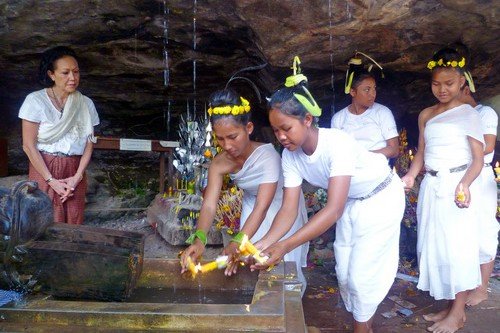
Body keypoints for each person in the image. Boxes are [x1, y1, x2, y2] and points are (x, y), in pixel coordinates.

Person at [252, 59, 405, 333]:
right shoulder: (290, 156)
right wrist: (263, 244)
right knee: (345, 272)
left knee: (362, 275)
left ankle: (361, 329)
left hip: (381, 198)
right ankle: (365, 324)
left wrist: (284, 246)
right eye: (276, 130)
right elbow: (288, 210)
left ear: (307, 120)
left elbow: (332, 210)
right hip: (352, 203)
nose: (281, 136)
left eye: (286, 128)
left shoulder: (338, 144)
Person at [180, 89, 308, 289]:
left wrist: (236, 242)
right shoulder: (218, 163)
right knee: (250, 260)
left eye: (232, 136)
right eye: (220, 139)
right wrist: (199, 240)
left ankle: (288, 307)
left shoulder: (268, 156)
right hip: (252, 205)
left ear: (248, 128)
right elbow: (209, 206)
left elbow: (262, 207)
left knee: (280, 261)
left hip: (282, 207)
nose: (227, 145)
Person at [401, 46, 485, 333]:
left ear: (462, 81)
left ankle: (458, 313)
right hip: (431, 186)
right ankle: (450, 307)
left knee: (457, 248)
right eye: (436, 83)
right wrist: (411, 175)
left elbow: (478, 159)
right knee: (436, 247)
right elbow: (421, 153)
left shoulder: (468, 114)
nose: (442, 89)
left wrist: (464, 184)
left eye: (449, 83)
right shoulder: (426, 114)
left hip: (455, 186)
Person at [19, 46, 99, 225]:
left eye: (76, 72)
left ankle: (71, 253)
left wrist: (77, 176)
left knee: (74, 219)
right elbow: (28, 146)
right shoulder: (35, 101)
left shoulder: (86, 104)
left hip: (75, 169)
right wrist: (51, 180)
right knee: (43, 220)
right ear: (51, 74)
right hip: (44, 166)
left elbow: (89, 142)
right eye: (65, 72)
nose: (73, 77)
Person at [460, 83, 499, 306]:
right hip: (463, 176)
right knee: (465, 232)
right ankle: (467, 284)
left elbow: (488, 145)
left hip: (481, 177)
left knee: (484, 230)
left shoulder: (485, 112)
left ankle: (482, 288)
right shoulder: (458, 114)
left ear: (465, 89)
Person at [331, 56, 399, 160]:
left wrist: (363, 157)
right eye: (367, 90)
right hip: (349, 171)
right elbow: (335, 151)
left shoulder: (382, 113)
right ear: (353, 92)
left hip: (377, 170)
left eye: (374, 89)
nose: (373, 94)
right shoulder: (338, 118)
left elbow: (394, 150)